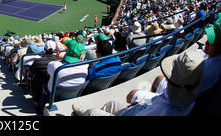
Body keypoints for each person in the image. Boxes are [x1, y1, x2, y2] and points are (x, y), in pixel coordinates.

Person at [72, 50, 205, 116]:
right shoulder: (184, 101)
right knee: (110, 104)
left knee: (92, 112)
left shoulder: (167, 110)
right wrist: (142, 104)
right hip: (137, 108)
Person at [28, 40, 60, 115]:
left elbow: (30, 73)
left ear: (44, 49)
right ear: (55, 49)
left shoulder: (38, 61)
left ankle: (37, 102)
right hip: (52, 85)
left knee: (33, 77)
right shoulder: (59, 60)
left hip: (40, 84)